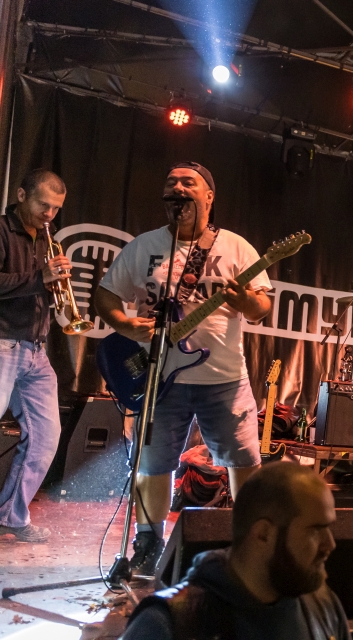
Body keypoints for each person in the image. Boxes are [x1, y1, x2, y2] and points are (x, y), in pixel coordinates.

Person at [95, 163, 272, 574]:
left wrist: (246, 300)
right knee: (152, 463)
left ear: (209, 196)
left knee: (244, 460)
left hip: (224, 378)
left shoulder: (236, 247)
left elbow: (261, 307)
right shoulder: (145, 245)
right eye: (171, 182)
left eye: (188, 182)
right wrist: (124, 324)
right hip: (158, 376)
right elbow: (106, 295)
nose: (177, 187)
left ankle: (248, 540)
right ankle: (147, 543)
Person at [120, 462, 350, 640]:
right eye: (315, 530)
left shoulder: (323, 605)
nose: (330, 544)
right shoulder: (166, 625)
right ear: (263, 534)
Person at [0, 170, 72, 543]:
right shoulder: (2, 231)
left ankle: (11, 516)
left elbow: (43, 287)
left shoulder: (48, 239)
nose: (49, 214)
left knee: (46, 437)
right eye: (44, 205)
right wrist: (38, 278)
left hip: (36, 350)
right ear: (20, 194)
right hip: (2, 343)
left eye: (56, 208)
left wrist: (57, 286)